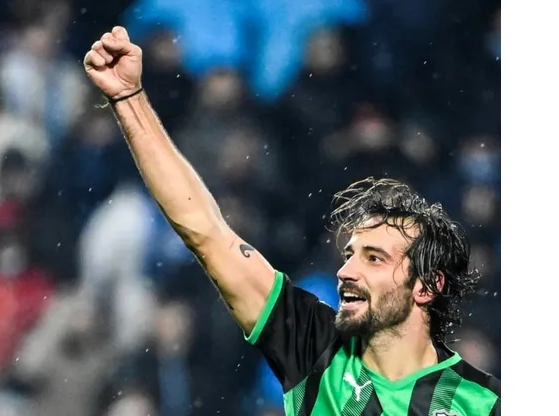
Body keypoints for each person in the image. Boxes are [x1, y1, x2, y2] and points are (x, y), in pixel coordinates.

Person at [83, 26, 500, 416]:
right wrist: (130, 99)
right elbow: (205, 229)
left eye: (374, 259)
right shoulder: (315, 349)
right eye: (350, 256)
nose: (346, 272)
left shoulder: (483, 402)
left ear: (426, 286)